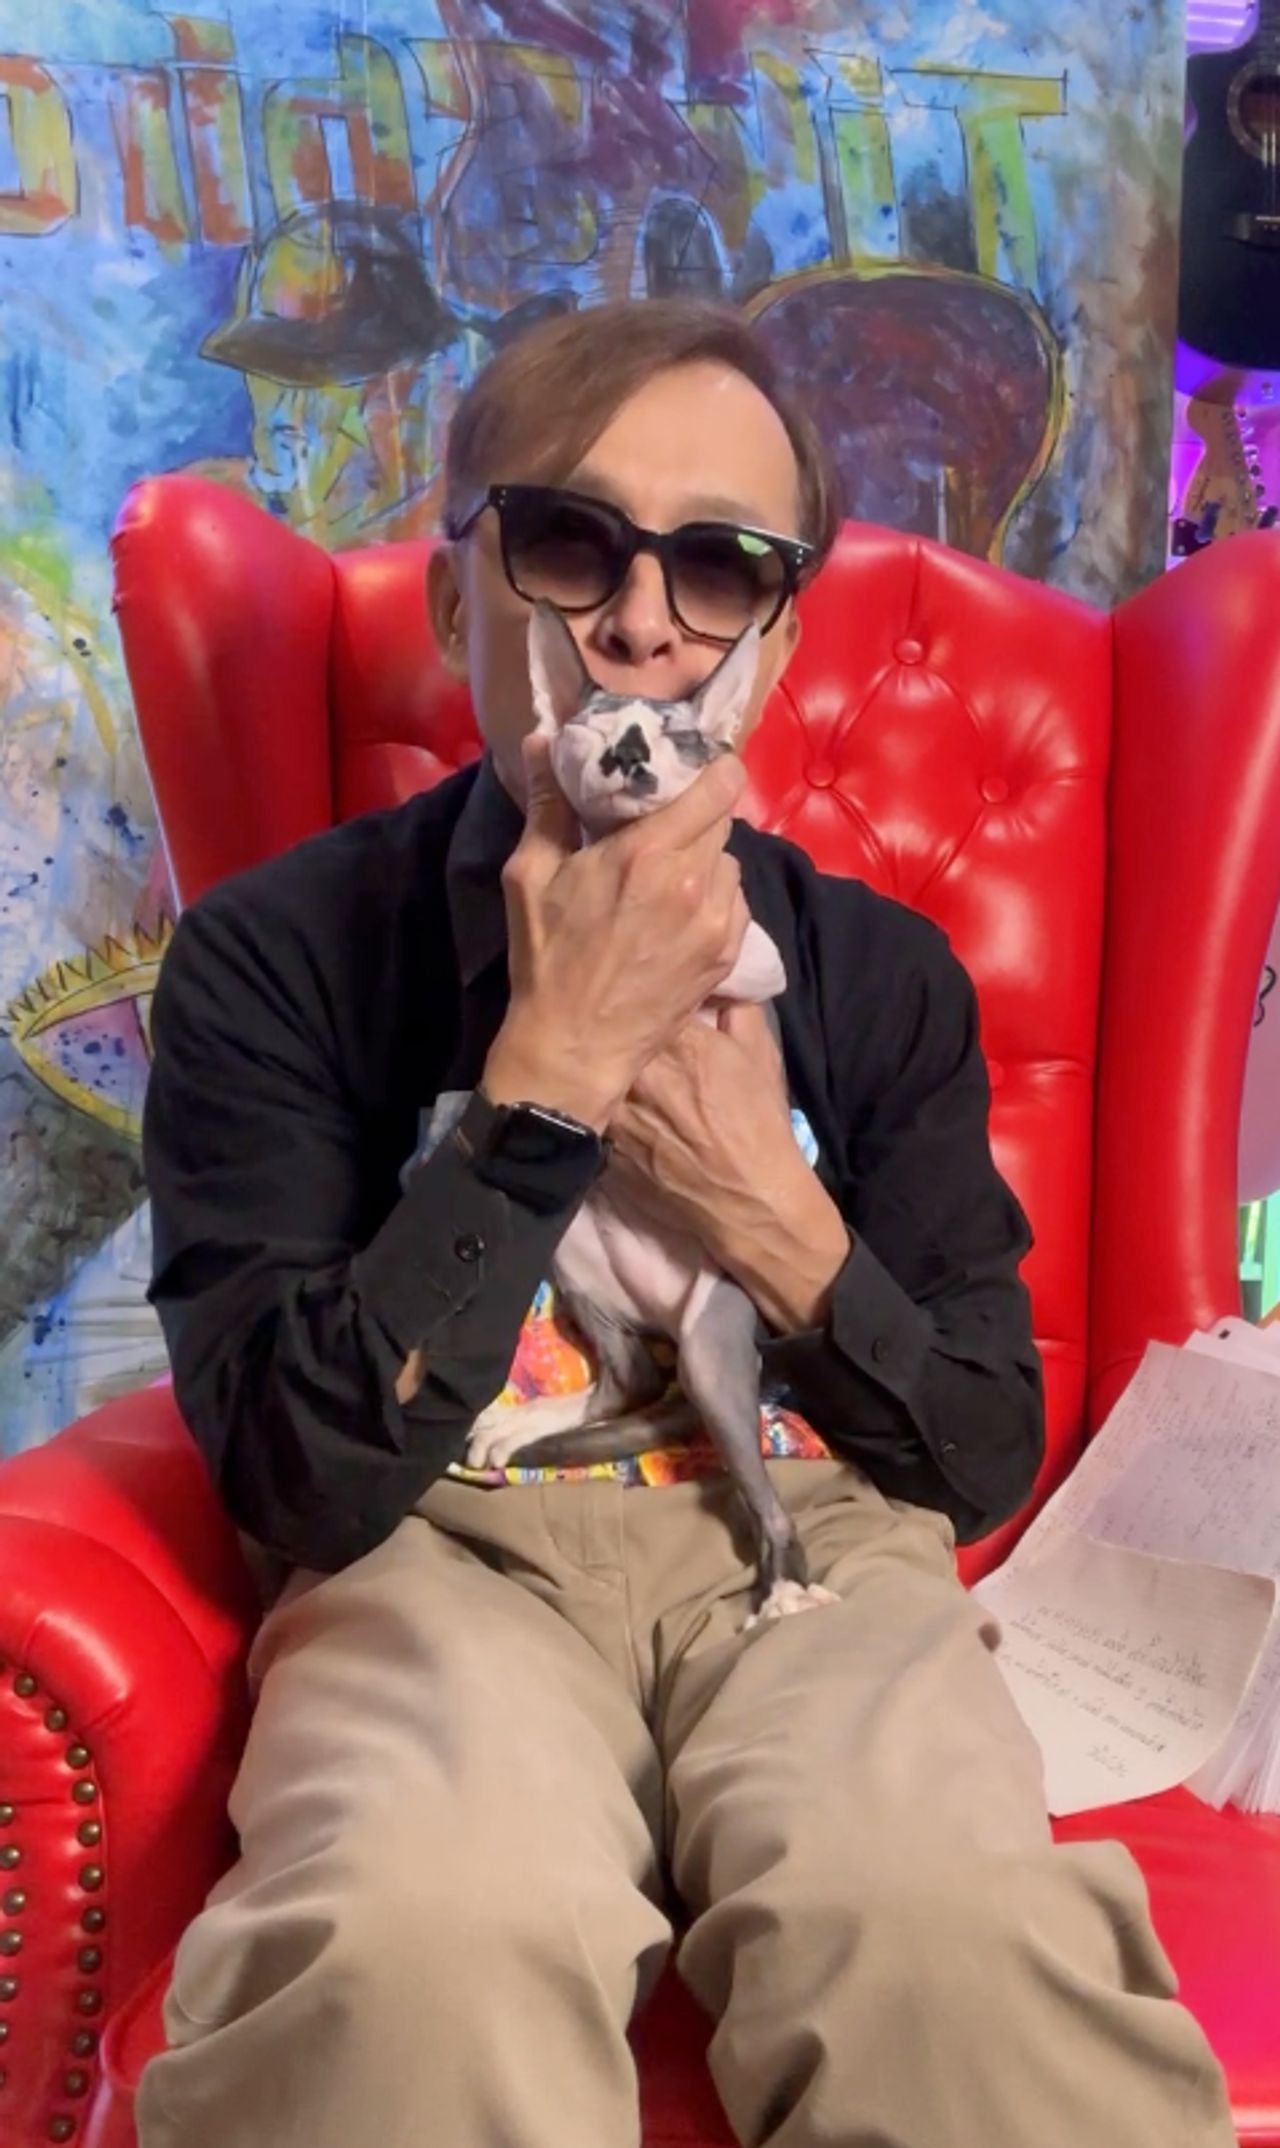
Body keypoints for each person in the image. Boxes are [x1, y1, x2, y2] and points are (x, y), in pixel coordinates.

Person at [136, 298, 1236, 2148]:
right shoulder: (275, 958)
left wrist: (766, 1209)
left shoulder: (876, 976)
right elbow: (300, 1478)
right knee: (417, 1950)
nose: (642, 621)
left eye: (720, 568)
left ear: (776, 644)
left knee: (953, 1942)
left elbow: (975, 1450)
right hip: (441, 1552)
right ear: (457, 598)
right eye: (571, 541)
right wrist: (549, 1080)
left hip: (809, 1549)